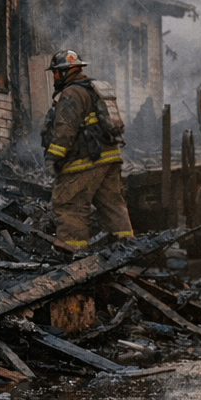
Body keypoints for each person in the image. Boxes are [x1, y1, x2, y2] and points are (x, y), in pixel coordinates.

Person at [40, 50, 134, 251]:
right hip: (109, 159)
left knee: (69, 204)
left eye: (56, 73)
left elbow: (64, 130)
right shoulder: (93, 89)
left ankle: (71, 254)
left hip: (84, 162)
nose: (54, 77)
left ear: (65, 72)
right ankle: (125, 251)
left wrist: (53, 159)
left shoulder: (71, 94)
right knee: (112, 206)